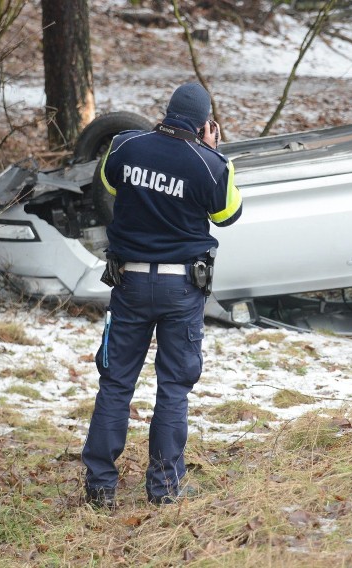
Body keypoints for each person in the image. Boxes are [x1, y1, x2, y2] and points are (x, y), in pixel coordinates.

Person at [81, 83, 243, 508]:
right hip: (181, 288)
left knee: (115, 382)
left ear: (167, 112)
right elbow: (228, 214)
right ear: (206, 123)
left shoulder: (124, 146)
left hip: (129, 283)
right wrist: (214, 151)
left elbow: (111, 186)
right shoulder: (210, 165)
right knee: (173, 387)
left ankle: (100, 487)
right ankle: (165, 489)